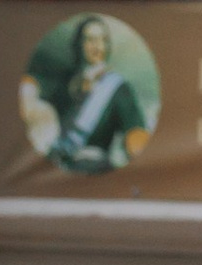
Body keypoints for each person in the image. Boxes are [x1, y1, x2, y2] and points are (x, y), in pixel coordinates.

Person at [21, 14, 154, 174]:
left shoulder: (118, 88)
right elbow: (35, 101)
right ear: (79, 45)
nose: (97, 47)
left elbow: (135, 132)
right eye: (91, 40)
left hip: (93, 167)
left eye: (102, 40)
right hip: (54, 165)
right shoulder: (65, 80)